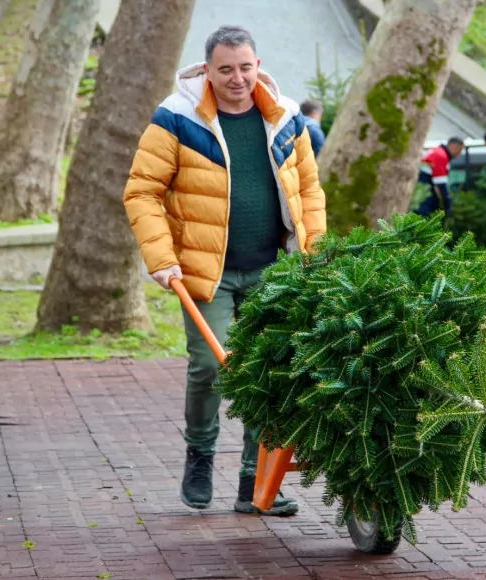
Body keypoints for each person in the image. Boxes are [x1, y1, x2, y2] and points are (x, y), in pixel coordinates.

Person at [122, 25, 326, 517]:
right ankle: (200, 453)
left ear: (259, 66)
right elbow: (141, 191)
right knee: (212, 367)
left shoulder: (286, 118)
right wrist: (162, 259)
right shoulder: (176, 118)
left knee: (269, 373)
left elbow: (310, 190)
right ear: (207, 70)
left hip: (272, 270)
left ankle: (256, 482)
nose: (237, 78)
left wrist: (313, 252)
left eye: (245, 67)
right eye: (226, 69)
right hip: (203, 273)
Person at [415, 137, 464, 222]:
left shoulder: (437, 151)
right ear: (453, 147)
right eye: (459, 151)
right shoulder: (441, 155)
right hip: (424, 195)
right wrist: (448, 205)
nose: (459, 155)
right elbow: (441, 185)